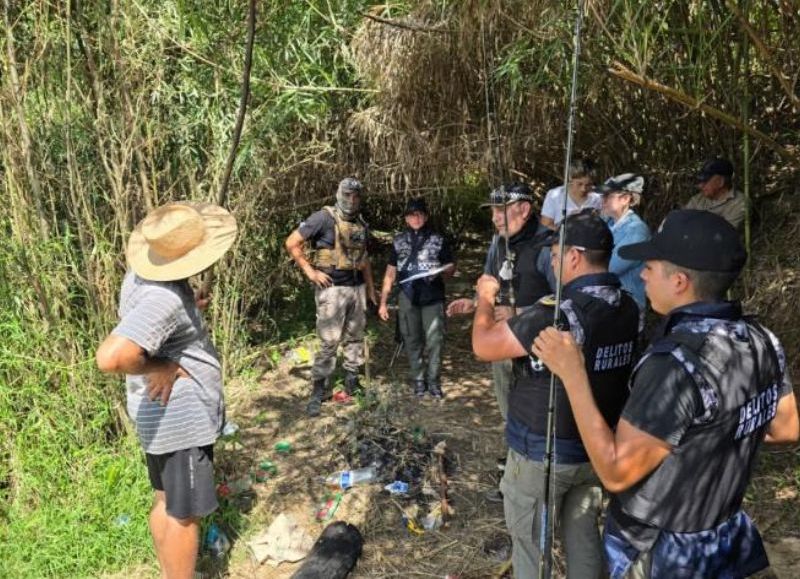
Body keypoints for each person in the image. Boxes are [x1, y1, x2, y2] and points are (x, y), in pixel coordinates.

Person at [532, 209, 799, 578]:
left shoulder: (675, 365)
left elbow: (614, 471)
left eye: (650, 267)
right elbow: (786, 429)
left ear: (679, 282)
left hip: (665, 549)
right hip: (724, 534)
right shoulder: (761, 340)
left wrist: (573, 373)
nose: (641, 275)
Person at [472, 210, 641, 579]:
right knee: (583, 539)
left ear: (574, 256)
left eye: (555, 256)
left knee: (531, 548)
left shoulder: (556, 313)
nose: (552, 262)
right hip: (594, 452)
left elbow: (484, 346)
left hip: (541, 455)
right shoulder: (629, 307)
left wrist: (485, 299)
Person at [96, 201, 238, 579]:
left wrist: (191, 307)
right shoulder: (166, 297)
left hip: (157, 418)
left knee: (166, 501)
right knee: (183, 514)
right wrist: (165, 366)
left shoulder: (144, 278)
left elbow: (156, 322)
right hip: (180, 421)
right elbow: (112, 356)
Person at [447, 183, 551, 424]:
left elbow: (565, 300)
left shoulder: (547, 246)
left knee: (537, 409)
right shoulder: (497, 243)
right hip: (502, 339)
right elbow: (490, 282)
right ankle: (512, 444)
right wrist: (474, 303)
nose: (494, 219)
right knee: (506, 397)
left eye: (500, 211)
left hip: (538, 347)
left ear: (524, 209)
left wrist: (521, 312)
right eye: (492, 212)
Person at [285, 177, 378, 417]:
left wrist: (370, 289)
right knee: (329, 342)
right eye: (347, 195)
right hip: (333, 289)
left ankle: (351, 381)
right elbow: (292, 242)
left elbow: (364, 259)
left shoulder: (360, 223)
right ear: (339, 194)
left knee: (355, 338)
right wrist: (310, 271)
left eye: (356, 196)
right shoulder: (323, 218)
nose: (351, 200)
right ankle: (319, 390)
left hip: (356, 289)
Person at [378, 198, 455, 398]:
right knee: (411, 339)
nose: (416, 218)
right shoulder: (398, 241)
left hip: (433, 295)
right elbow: (390, 273)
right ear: (406, 218)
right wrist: (383, 302)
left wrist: (441, 271)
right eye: (412, 214)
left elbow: (450, 267)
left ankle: (434, 381)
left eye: (420, 214)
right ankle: (419, 380)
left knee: (435, 340)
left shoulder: (438, 239)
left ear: (426, 216)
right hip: (407, 296)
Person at [600, 173, 651, 310]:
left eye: (608, 196)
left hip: (627, 305)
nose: (602, 201)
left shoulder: (637, 231)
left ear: (625, 199)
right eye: (602, 196)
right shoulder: (608, 223)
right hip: (607, 300)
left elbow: (609, 268)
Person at [540, 158, 602, 230]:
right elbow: (545, 225)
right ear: (571, 179)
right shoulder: (555, 195)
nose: (583, 189)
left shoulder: (597, 198)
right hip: (559, 239)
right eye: (579, 184)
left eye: (588, 185)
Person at [685, 157, 746, 230]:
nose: (700, 186)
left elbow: (724, 233)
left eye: (706, 181)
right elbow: (683, 222)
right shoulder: (697, 199)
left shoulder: (740, 203)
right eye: (700, 181)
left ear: (721, 182)